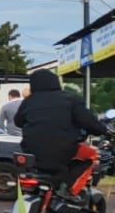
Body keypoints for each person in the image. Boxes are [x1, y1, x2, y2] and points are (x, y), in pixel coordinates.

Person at [14, 70, 111, 198]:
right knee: (91, 155)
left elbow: (18, 121)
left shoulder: (29, 101)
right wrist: (102, 130)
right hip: (63, 152)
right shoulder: (70, 99)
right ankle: (69, 190)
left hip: (31, 152)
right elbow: (89, 122)